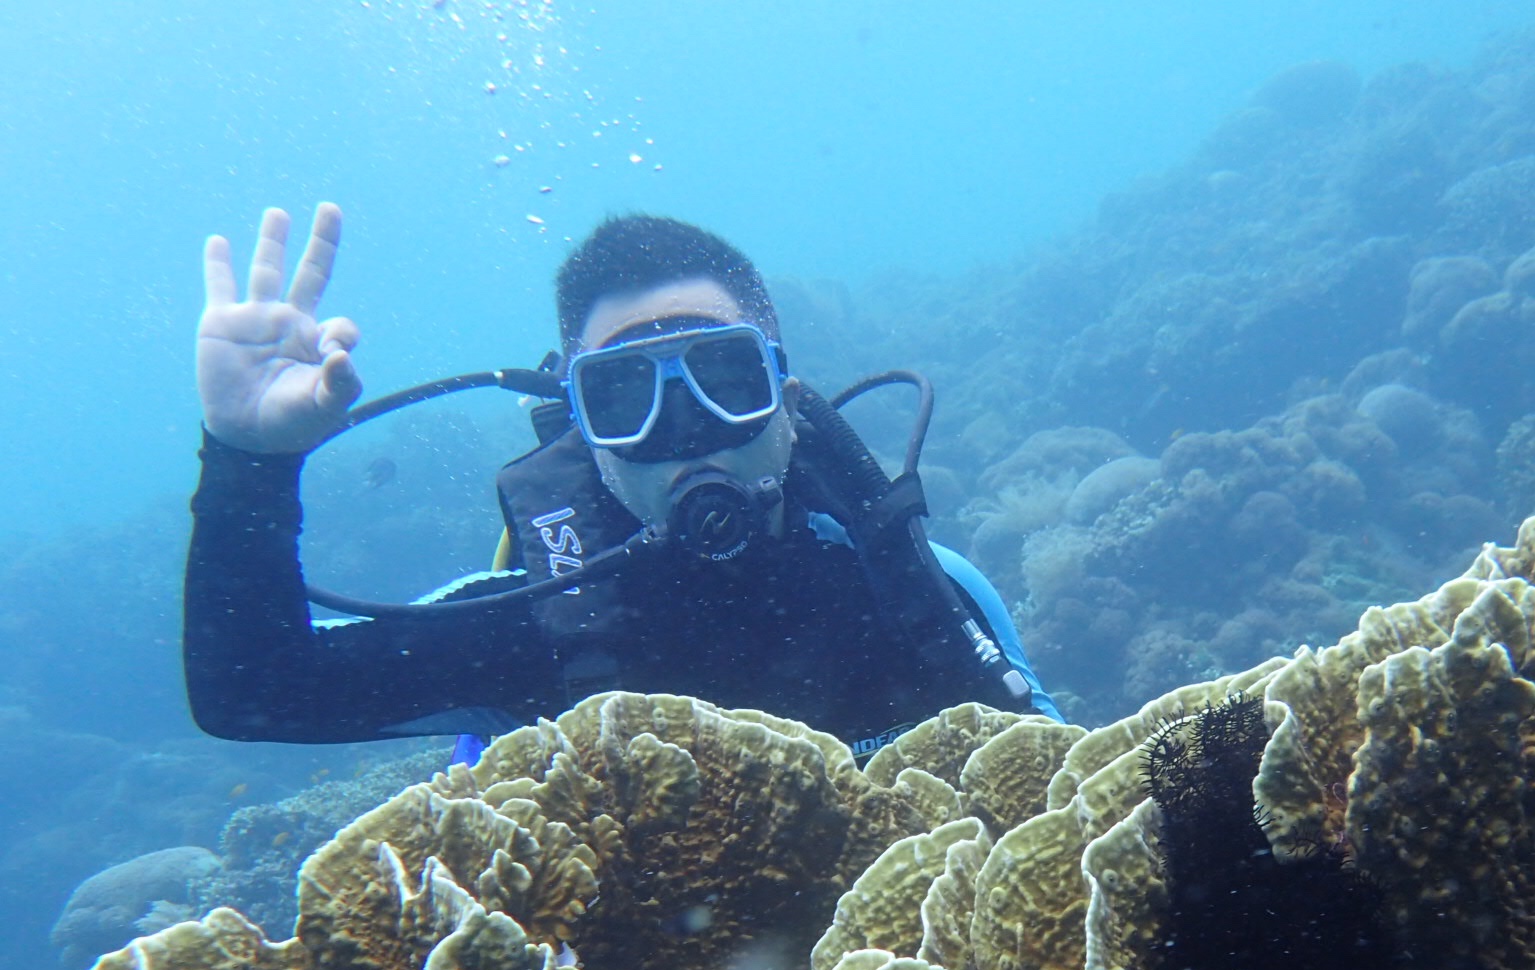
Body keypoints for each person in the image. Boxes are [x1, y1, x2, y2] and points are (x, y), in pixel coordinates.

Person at [184, 203, 1058, 761]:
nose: (684, 436)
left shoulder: (920, 590)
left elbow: (1054, 779)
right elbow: (254, 689)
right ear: (579, 421)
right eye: (624, 396)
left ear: (788, 397)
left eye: (725, 379)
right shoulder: (526, 618)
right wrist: (249, 462)